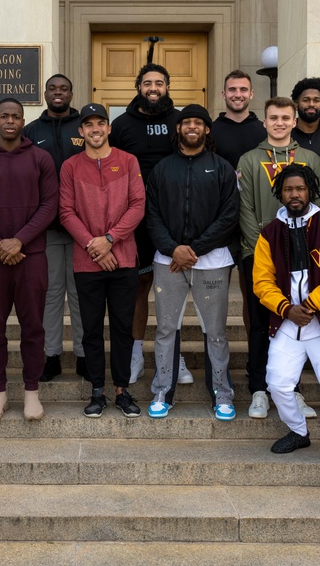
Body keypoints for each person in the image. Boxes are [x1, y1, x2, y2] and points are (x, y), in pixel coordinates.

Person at [251, 164, 320, 507]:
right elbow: (261, 282)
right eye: (288, 190)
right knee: (277, 383)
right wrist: (287, 309)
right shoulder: (269, 232)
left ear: (311, 191)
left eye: (300, 189)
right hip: (289, 321)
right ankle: (299, 431)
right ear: (280, 194)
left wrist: (312, 304)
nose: (295, 195)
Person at [0, 98, 58, 422]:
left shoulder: (41, 159)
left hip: (32, 257)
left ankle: (32, 391)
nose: (10, 121)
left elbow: (49, 205)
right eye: (4, 116)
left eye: (16, 116)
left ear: (22, 120)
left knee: (33, 327)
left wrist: (19, 240)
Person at [145, 104, 239, 421]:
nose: (192, 127)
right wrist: (174, 249)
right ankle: (162, 391)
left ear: (207, 129)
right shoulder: (162, 169)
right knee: (166, 329)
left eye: (198, 122)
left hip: (212, 261)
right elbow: (152, 214)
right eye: (186, 122)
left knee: (215, 331)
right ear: (179, 128)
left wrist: (193, 249)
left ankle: (222, 395)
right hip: (167, 261)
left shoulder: (222, 168)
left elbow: (229, 216)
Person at [237, 97, 320, 420]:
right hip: (258, 251)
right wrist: (263, 243)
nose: (279, 123)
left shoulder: (310, 159)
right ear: (264, 121)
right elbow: (243, 206)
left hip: (301, 255)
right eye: (273, 117)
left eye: (285, 117)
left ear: (294, 120)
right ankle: (259, 388)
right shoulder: (248, 160)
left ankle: (293, 390)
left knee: (295, 320)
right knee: (260, 321)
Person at [109, 63, 194, 385]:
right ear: (138, 86)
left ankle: (173, 356)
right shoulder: (121, 125)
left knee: (173, 292)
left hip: (174, 222)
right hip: (135, 222)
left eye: (159, 82)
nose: (153, 88)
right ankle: (134, 355)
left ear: (168, 86)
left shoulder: (179, 121)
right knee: (138, 289)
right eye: (148, 83)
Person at [59, 103, 145, 418]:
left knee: (123, 327)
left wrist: (109, 240)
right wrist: (93, 246)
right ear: (81, 132)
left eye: (101, 123)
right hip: (87, 261)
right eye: (89, 125)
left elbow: (138, 205)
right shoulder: (70, 166)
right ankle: (98, 390)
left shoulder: (128, 161)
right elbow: (66, 211)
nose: (95, 129)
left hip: (123, 258)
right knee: (91, 329)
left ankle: (122, 389)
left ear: (109, 128)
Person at [22, 74, 87, 381]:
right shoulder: (31, 131)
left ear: (71, 93)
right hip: (45, 229)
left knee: (79, 294)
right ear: (44, 93)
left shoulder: (84, 127)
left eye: (64, 88)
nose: (58, 93)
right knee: (50, 294)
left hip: (82, 229)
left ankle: (85, 355)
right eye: (52, 89)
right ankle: (51, 356)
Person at [210, 69, 266, 394]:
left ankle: (253, 360)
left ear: (251, 94)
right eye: (232, 89)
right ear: (223, 94)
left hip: (250, 225)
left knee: (252, 295)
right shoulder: (212, 130)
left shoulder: (262, 131)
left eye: (243, 89)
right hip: (218, 226)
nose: (237, 94)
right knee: (213, 299)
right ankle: (216, 366)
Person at [290, 77, 320, 158]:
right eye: (306, 100)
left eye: (316, 100)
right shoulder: (286, 134)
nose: (311, 104)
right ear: (296, 104)